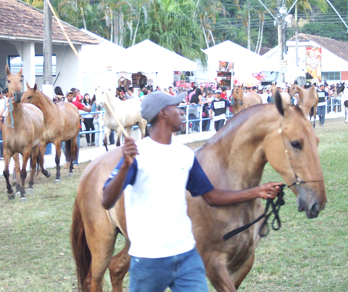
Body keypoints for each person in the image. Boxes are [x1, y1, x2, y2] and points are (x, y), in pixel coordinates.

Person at [101, 91, 282, 292]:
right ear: (163, 114)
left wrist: (257, 192)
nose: (181, 112)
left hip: (186, 256)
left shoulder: (185, 154)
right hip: (148, 260)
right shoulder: (137, 155)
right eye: (176, 108)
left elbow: (212, 196)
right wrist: (125, 166)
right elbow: (107, 200)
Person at [67, 90, 91, 168]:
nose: (70, 97)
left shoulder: (76, 104)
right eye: (68, 96)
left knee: (76, 144)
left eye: (71, 95)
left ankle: (75, 162)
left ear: (73, 96)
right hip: (66, 129)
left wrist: (92, 104)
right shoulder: (64, 105)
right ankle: (68, 161)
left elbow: (87, 110)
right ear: (66, 97)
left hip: (76, 127)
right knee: (65, 145)